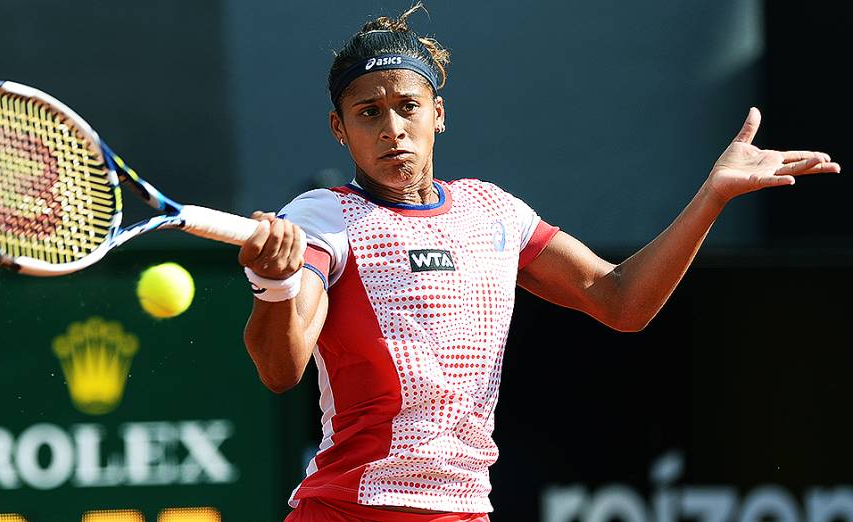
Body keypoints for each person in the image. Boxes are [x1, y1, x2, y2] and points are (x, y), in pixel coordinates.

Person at [237, 5, 841, 521]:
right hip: (347, 510)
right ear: (339, 130)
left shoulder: (494, 212)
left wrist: (712, 196)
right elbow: (280, 370)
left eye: (407, 107)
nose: (392, 128)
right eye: (368, 113)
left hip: (465, 507)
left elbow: (622, 301)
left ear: (437, 114)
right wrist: (273, 284)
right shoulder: (321, 217)